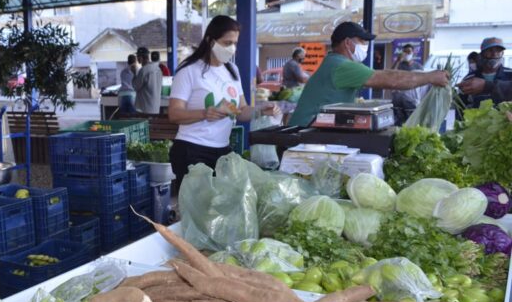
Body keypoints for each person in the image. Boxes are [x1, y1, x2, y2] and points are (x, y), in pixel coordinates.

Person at [167, 15, 280, 189]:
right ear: (210, 40)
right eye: (227, 43)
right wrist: (204, 113)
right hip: (192, 150)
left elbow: (240, 110)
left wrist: (260, 110)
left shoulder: (232, 70)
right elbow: (174, 114)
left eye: (235, 43)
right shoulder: (188, 71)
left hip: (222, 150)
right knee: (199, 211)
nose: (232, 48)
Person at [288, 21, 449, 127]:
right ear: (347, 43)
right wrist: (430, 77)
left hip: (305, 130)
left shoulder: (333, 61)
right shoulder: (342, 65)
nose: (365, 46)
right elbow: (389, 79)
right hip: (303, 134)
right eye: (362, 41)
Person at [458, 37, 512, 108]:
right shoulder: (469, 79)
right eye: (490, 50)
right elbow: (461, 107)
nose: (494, 54)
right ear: (482, 53)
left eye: (498, 51)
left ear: (502, 53)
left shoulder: (510, 74)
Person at [133, 47, 164, 115]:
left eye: (137, 56)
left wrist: (134, 74)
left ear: (141, 58)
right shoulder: (158, 69)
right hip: (155, 108)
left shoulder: (143, 70)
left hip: (144, 109)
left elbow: (136, 86)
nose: (137, 59)